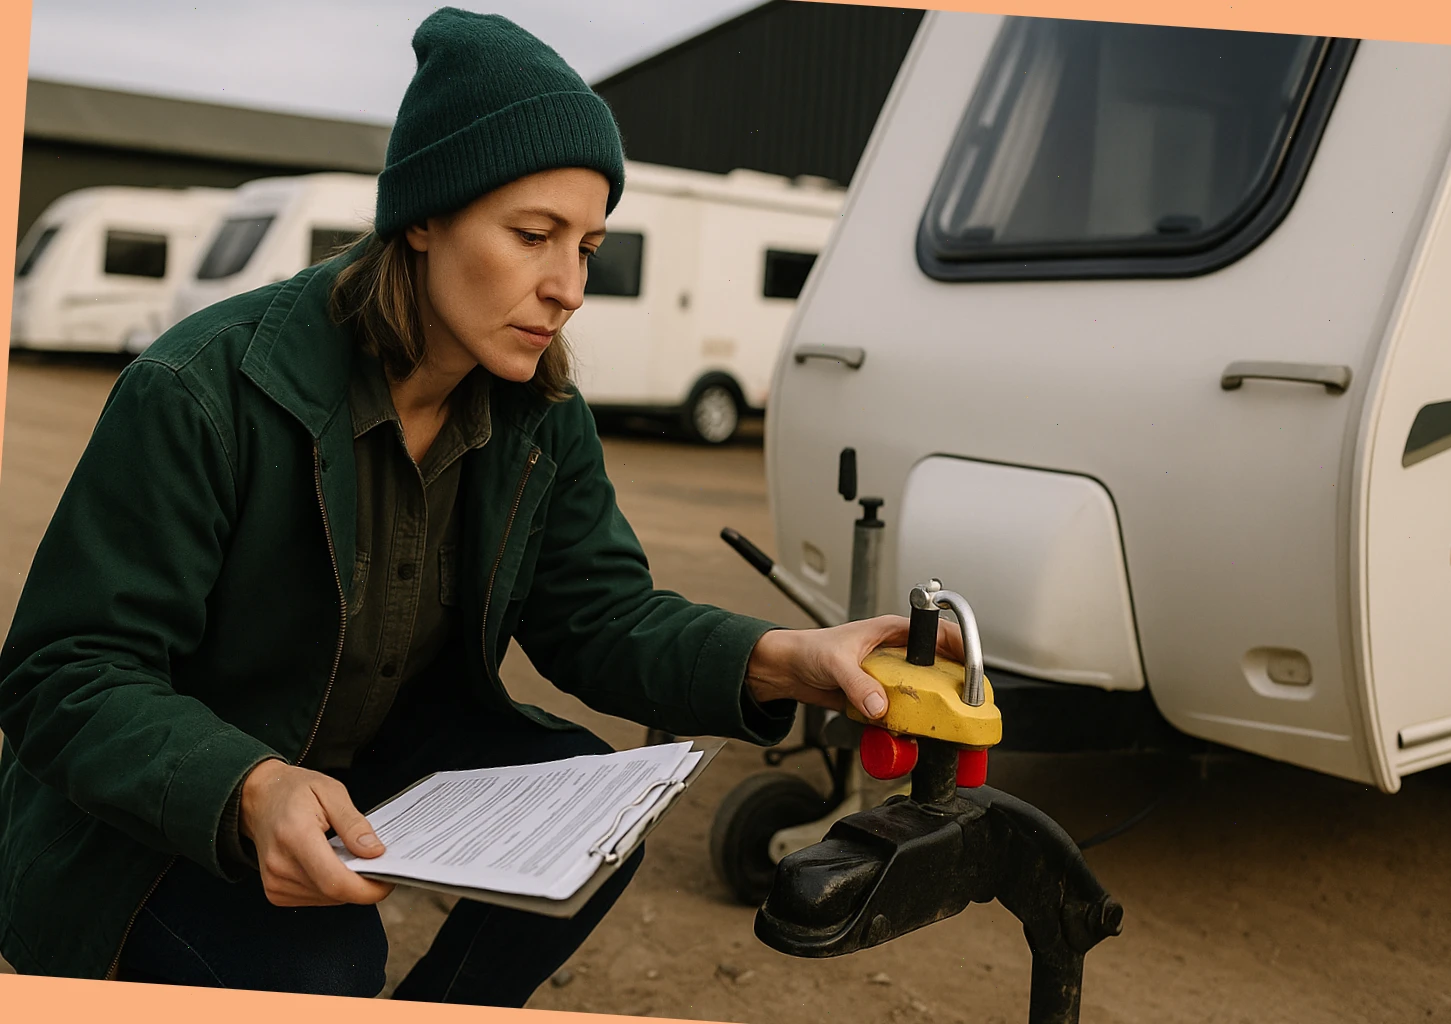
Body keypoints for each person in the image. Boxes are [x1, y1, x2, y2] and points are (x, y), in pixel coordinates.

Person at [0, 6, 958, 1007]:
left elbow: (599, 617)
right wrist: (249, 787)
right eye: (533, 235)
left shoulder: (540, 413)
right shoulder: (204, 389)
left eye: (588, 246)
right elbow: (65, 674)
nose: (568, 287)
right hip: (167, 810)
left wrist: (782, 660)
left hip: (372, 751)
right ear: (423, 216)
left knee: (595, 812)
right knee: (326, 965)